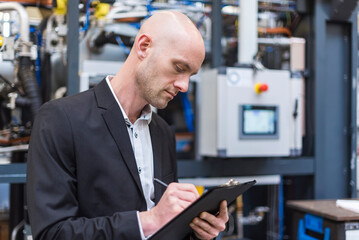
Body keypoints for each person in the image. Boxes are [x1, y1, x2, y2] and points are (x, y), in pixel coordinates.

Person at [26, 11, 228, 240]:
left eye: (191, 74)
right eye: (179, 68)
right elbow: (52, 234)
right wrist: (149, 220)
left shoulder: (161, 132)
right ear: (144, 47)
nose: (184, 86)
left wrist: (196, 231)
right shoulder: (60, 120)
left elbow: (166, 228)